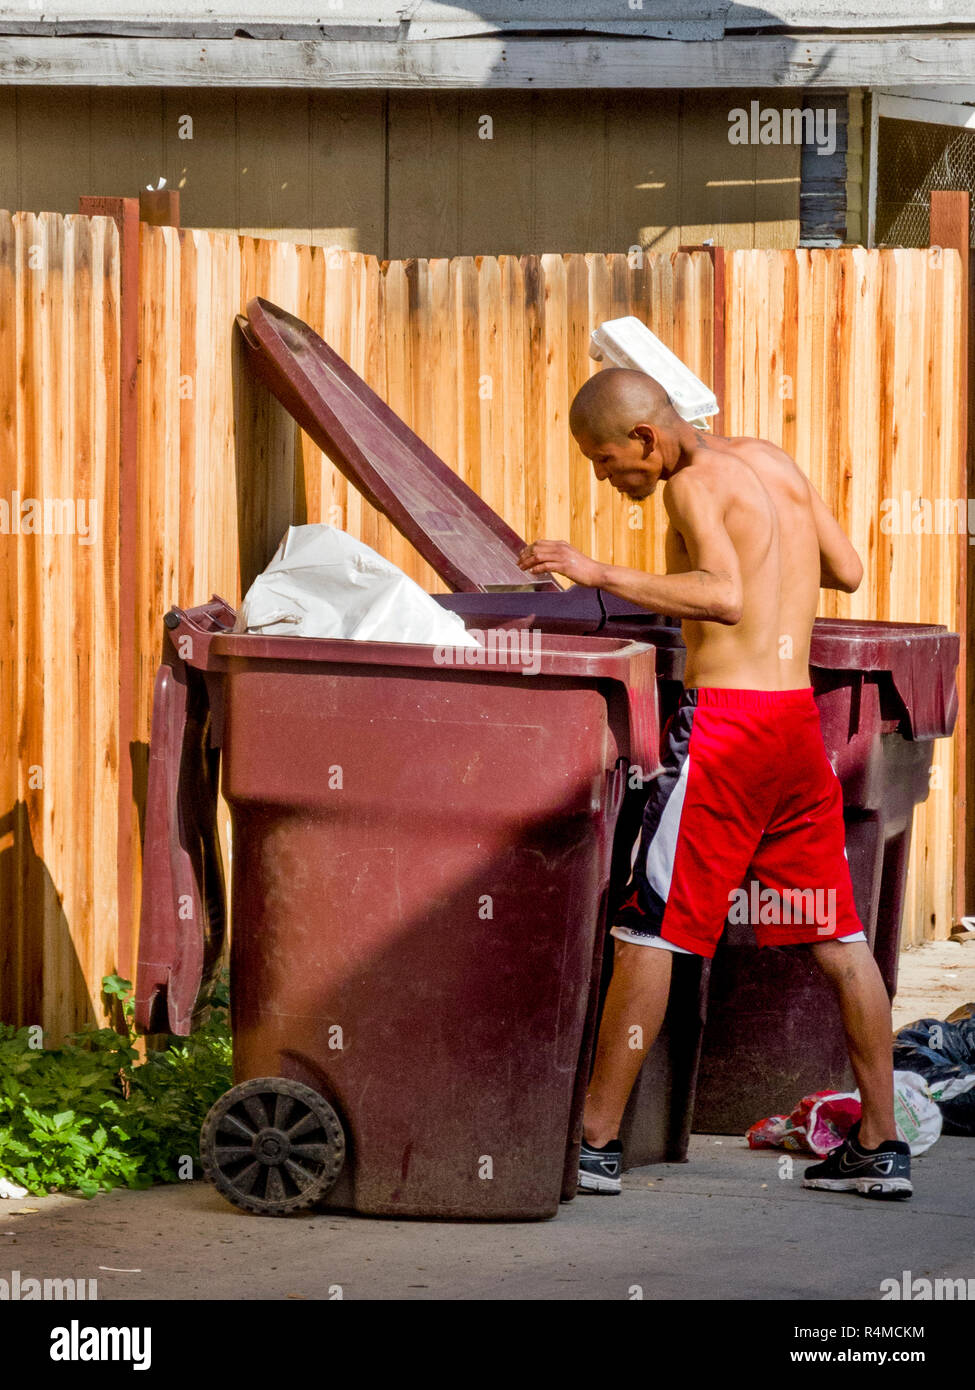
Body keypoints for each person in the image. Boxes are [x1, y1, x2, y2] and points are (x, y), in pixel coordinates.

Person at [516, 368, 912, 1201]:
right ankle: (879, 1145)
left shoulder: (689, 484)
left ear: (647, 439)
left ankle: (592, 1142)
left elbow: (722, 595)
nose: (602, 475)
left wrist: (595, 570)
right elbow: (845, 566)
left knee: (648, 929)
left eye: (602, 458)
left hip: (726, 733)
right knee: (836, 935)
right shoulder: (771, 460)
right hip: (796, 729)